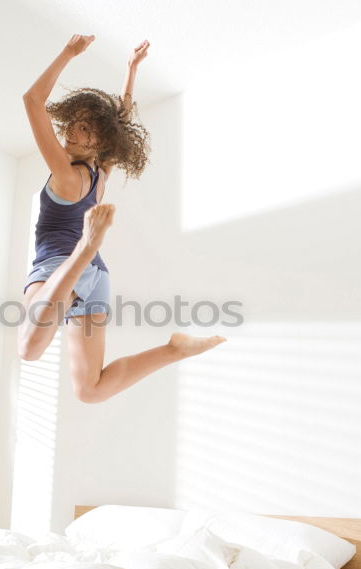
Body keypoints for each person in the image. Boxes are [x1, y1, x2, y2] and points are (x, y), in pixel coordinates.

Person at [19, 34, 225, 403]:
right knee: (90, 390)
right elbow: (122, 122)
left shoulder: (66, 174)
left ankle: (85, 247)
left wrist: (68, 52)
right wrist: (130, 71)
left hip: (61, 265)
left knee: (29, 350)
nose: (73, 130)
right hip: (96, 276)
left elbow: (32, 101)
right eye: (75, 122)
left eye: (85, 128)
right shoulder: (99, 175)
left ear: (99, 143)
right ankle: (174, 349)